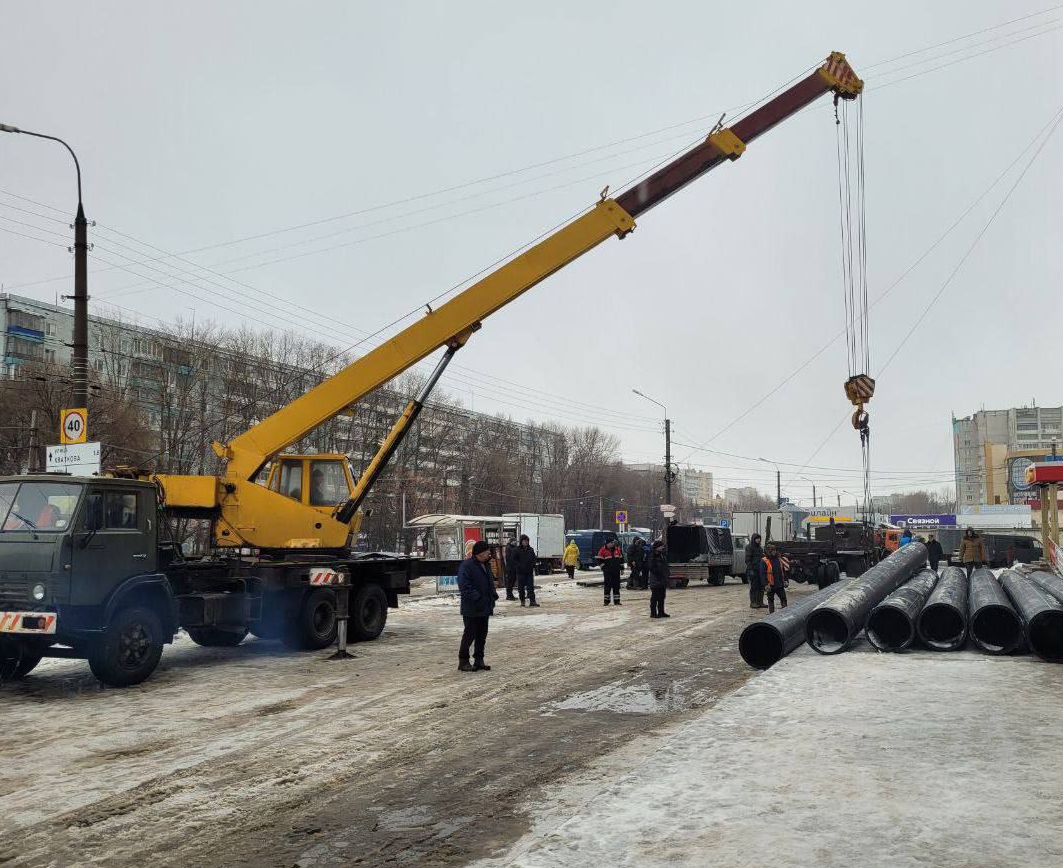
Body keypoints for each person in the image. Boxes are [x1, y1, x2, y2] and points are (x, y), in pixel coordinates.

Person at [456, 540, 499, 672]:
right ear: (480, 553)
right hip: (472, 608)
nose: (489, 554)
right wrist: (478, 598)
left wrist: (493, 595)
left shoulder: (485, 565)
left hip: (484, 607)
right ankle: (463, 661)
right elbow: (464, 586)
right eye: (487, 552)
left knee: (482, 635)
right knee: (470, 634)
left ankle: (479, 660)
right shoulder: (467, 566)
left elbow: (489, 582)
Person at [759, 544, 788, 614]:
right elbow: (762, 574)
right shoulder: (764, 561)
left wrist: (785, 580)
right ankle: (771, 614)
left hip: (779, 584)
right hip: (770, 585)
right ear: (768, 551)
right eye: (772, 550)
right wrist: (766, 584)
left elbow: (783, 571)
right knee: (771, 600)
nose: (774, 552)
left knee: (783, 598)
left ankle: (786, 613)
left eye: (775, 550)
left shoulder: (779, 559)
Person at [514, 534, 539, 607]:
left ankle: (532, 601)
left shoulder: (530, 549)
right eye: (524, 541)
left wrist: (533, 565)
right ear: (521, 541)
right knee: (521, 588)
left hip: (529, 572)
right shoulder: (517, 550)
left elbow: (534, 558)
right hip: (520, 572)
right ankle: (522, 600)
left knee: (530, 587)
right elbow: (514, 560)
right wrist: (519, 566)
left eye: (527, 541)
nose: (526, 542)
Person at [647, 540, 670, 618]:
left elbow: (665, 565)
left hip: (662, 578)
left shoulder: (662, 555)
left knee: (662, 597)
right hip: (656, 579)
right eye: (661, 546)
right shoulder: (652, 555)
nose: (662, 547)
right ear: (657, 547)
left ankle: (661, 612)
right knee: (655, 597)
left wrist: (667, 574)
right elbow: (651, 567)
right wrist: (659, 574)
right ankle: (653, 613)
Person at [598, 539, 623, 605]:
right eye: (611, 543)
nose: (613, 544)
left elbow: (621, 560)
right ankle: (606, 601)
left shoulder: (617, 549)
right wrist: (604, 569)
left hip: (616, 571)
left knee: (616, 586)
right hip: (607, 572)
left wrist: (622, 568)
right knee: (607, 586)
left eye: (613, 543)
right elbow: (600, 561)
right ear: (607, 544)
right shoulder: (602, 550)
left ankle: (617, 601)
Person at [744, 533, 765, 610]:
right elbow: (747, 560)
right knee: (754, 587)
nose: (758, 540)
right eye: (757, 538)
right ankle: (753, 602)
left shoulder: (760, 548)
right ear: (753, 539)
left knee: (761, 586)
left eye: (759, 538)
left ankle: (760, 602)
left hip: (760, 570)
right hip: (753, 570)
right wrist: (750, 570)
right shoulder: (749, 547)